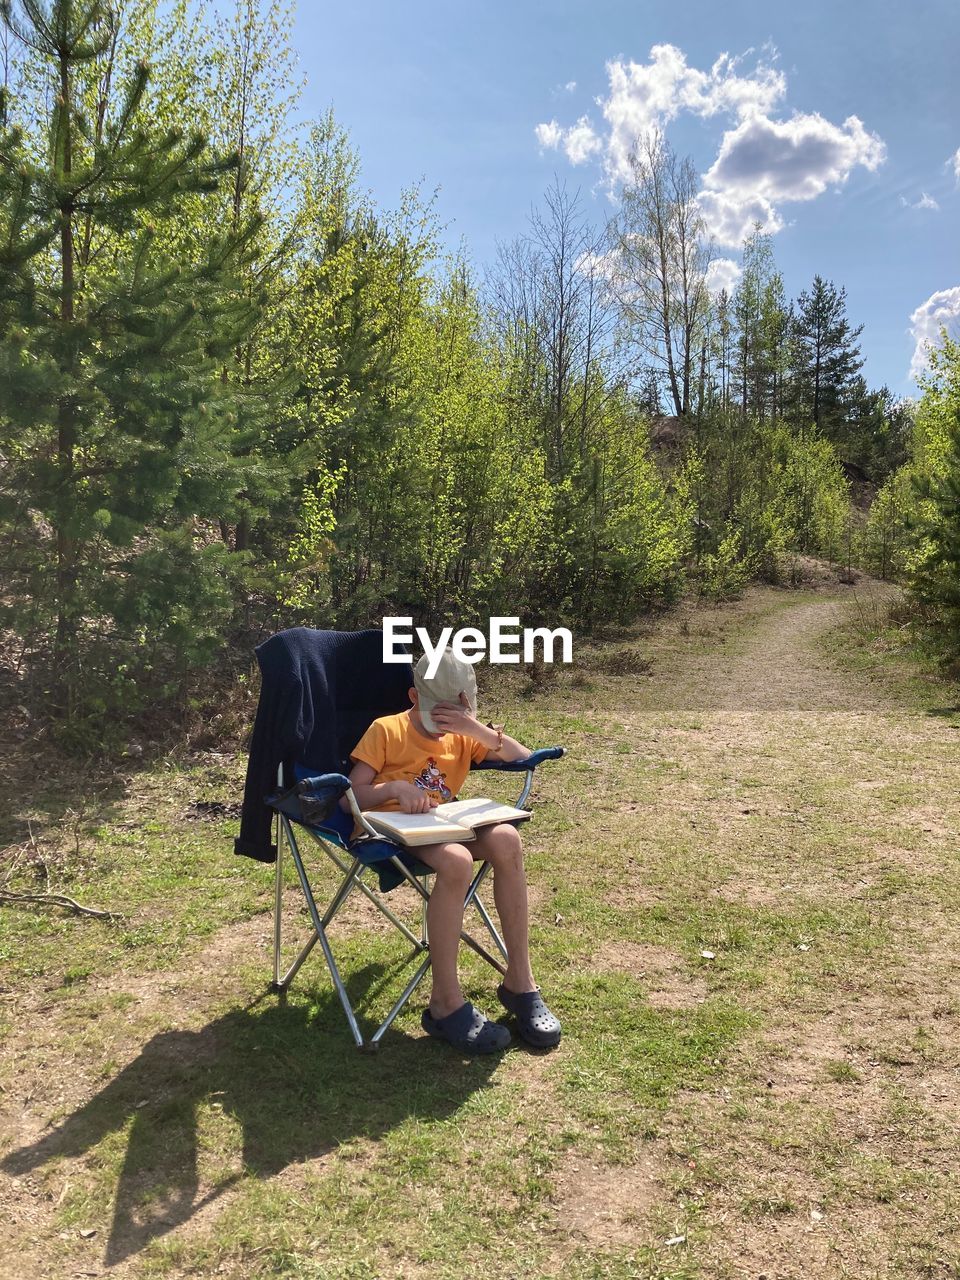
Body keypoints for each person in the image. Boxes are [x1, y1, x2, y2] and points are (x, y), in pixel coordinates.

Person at [344, 650, 561, 1053]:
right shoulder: (386, 730)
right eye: (437, 716)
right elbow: (349, 797)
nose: (444, 727)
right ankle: (445, 1002)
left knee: (507, 839)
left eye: (454, 715)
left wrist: (475, 729)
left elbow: (522, 756)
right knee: (458, 860)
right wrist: (393, 789)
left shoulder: (463, 734)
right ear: (413, 697)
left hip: (440, 826)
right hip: (387, 831)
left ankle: (520, 982)